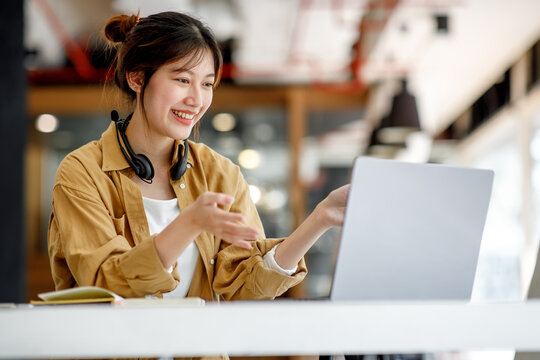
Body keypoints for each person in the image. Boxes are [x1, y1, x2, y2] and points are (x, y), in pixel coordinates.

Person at [48, 11, 349, 307]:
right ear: (137, 78)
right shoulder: (83, 172)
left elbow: (247, 286)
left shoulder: (219, 172)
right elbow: (104, 284)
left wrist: (321, 217)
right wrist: (188, 224)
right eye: (182, 80)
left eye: (206, 84)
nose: (197, 100)